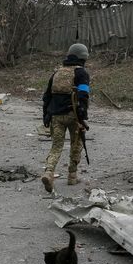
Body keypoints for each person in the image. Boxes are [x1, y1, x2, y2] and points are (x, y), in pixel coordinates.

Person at [41, 43, 90, 192]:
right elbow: (83, 95)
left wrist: (46, 115)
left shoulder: (57, 73)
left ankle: (49, 173)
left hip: (56, 116)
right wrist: (82, 116)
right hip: (73, 116)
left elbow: (47, 96)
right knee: (76, 145)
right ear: (83, 58)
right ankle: (72, 176)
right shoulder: (81, 73)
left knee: (56, 147)